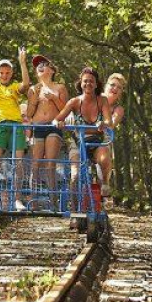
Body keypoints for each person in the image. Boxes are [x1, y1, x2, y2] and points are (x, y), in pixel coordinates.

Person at [53, 67, 112, 220]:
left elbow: (108, 120)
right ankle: (75, 212)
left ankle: (104, 187)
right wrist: (59, 123)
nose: (88, 84)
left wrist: (102, 123)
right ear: (80, 83)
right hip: (78, 142)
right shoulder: (74, 102)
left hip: (97, 141)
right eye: (85, 81)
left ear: (97, 84)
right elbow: (57, 118)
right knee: (75, 175)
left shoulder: (102, 100)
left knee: (104, 158)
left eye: (91, 81)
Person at [0, 44, 30, 211]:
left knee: (18, 163)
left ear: (11, 73)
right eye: (1, 72)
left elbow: (26, 85)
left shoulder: (15, 87)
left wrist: (22, 62)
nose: (5, 75)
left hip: (16, 126)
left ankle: (17, 200)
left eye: (8, 72)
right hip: (0, 126)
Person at [27, 55, 68, 208]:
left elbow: (66, 110)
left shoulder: (60, 87)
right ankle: (33, 202)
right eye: (37, 65)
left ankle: (54, 202)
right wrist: (34, 99)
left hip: (53, 127)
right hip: (37, 127)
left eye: (44, 64)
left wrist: (53, 98)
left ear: (52, 70)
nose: (40, 66)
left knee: (50, 163)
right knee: (35, 164)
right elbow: (29, 113)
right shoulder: (33, 89)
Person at [99, 72, 126, 208]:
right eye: (112, 85)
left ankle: (105, 184)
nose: (115, 88)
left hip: (103, 140)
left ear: (121, 92)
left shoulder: (118, 109)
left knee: (105, 159)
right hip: (84, 136)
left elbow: (112, 123)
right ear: (105, 86)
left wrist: (104, 123)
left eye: (119, 87)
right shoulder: (93, 99)